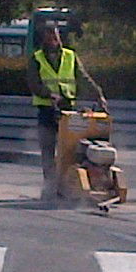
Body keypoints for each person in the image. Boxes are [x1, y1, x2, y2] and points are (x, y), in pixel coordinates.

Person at [27, 25, 106, 201]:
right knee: (48, 150)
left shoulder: (70, 56)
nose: (53, 39)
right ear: (44, 39)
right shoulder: (37, 58)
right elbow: (33, 83)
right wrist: (48, 94)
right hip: (47, 110)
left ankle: (68, 185)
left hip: (67, 109)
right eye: (49, 36)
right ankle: (50, 186)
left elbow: (82, 77)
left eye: (55, 36)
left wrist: (98, 95)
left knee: (70, 149)